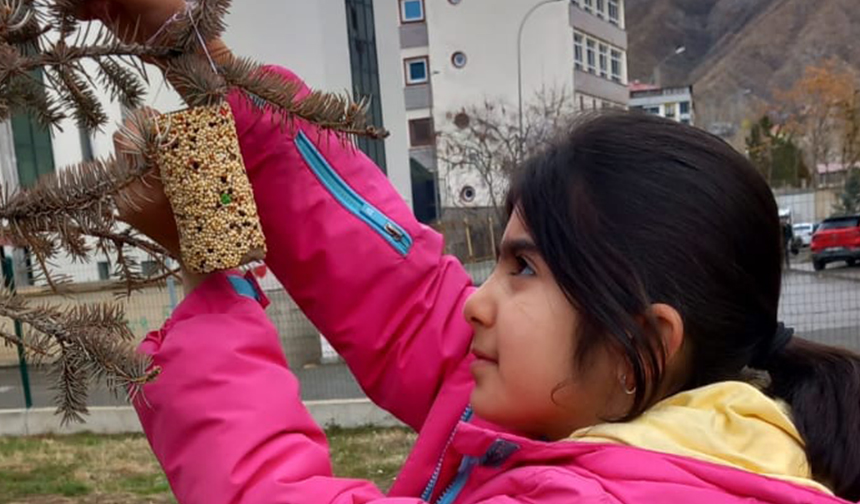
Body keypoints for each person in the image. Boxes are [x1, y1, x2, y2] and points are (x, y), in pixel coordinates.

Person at [79, 2, 860, 503]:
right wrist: (194, 46)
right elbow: (408, 300)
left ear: (641, 349)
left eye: (523, 268)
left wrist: (213, 269)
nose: (478, 299)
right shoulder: (639, 423)